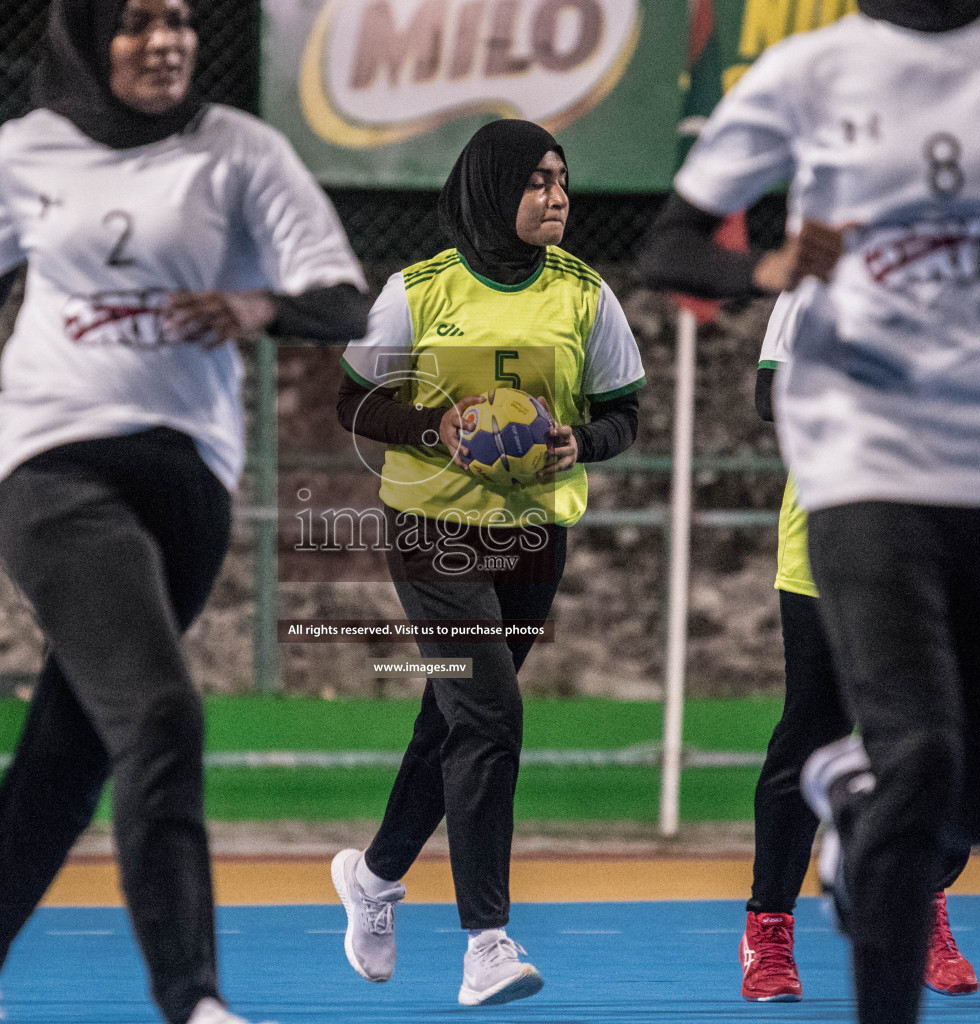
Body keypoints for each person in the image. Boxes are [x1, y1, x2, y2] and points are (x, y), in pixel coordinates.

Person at [637, 1, 980, 1022]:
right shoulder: (811, 71)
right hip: (865, 469)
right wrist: (768, 267)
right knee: (922, 753)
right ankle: (816, 893)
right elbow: (667, 245)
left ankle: (853, 782)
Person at [0, 2, 368, 1023]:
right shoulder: (29, 150)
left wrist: (258, 307)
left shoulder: (243, 152)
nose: (164, 39)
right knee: (159, 713)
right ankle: (193, 1000)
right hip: (49, 461)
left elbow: (344, 298)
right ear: (92, 38)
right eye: (137, 19)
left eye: (180, 19)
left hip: (188, 480)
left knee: (71, 744)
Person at [331, 119, 645, 1008]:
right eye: (537, 181)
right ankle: (487, 943)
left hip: (533, 534)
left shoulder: (586, 295)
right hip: (432, 532)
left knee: (455, 719)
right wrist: (437, 428)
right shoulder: (419, 292)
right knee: (492, 715)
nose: (557, 197)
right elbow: (352, 402)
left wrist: (577, 441)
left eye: (563, 180)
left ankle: (376, 878)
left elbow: (625, 415)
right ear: (490, 189)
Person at [739, 292, 975, 1003]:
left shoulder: (975, 269)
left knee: (946, 734)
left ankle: (923, 899)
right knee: (813, 727)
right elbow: (768, 394)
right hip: (832, 531)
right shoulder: (817, 278)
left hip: (947, 534)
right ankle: (769, 925)